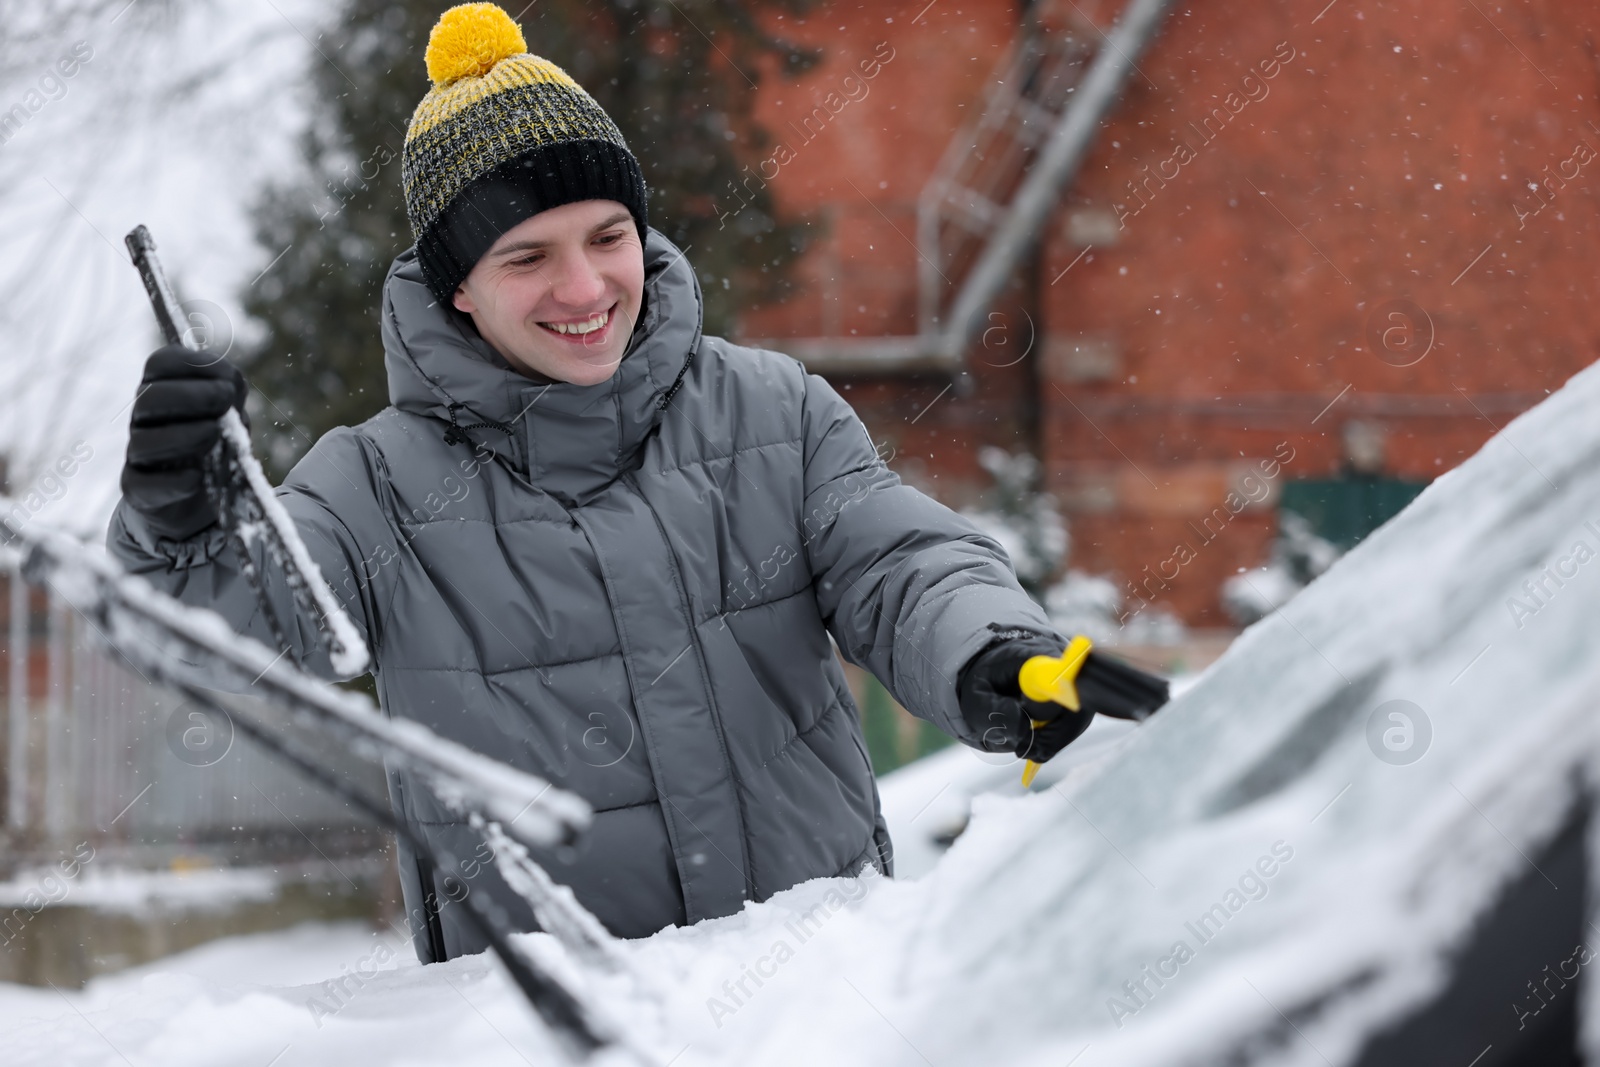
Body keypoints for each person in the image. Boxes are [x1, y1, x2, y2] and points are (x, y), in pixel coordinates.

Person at [108, 2, 1163, 962]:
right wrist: (177, 522)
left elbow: (903, 563)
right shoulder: (373, 485)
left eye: (607, 237)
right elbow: (230, 640)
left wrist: (991, 651)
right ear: (459, 289)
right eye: (527, 258)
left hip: (807, 995)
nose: (583, 288)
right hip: (551, 1023)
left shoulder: (772, 414)